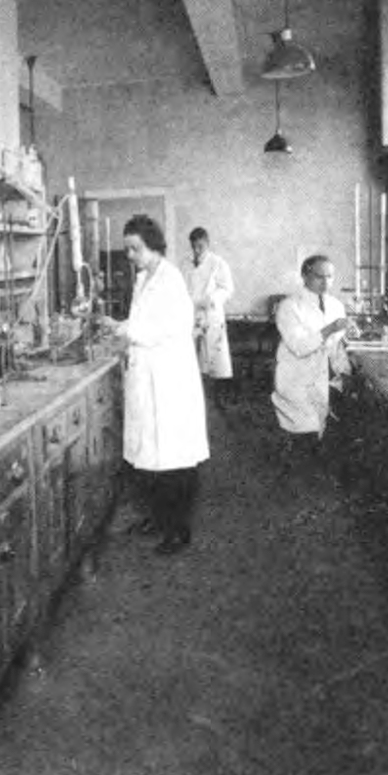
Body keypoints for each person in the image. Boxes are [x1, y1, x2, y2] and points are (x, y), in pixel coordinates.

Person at [101, 215, 210, 554]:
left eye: (134, 249)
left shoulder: (171, 279)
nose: (129, 256)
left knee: (174, 459)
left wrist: (126, 331)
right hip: (147, 377)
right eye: (127, 249)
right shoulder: (146, 278)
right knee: (148, 453)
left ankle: (178, 529)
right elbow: (145, 320)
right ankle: (158, 516)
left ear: (152, 245)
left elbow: (172, 328)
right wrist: (122, 324)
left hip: (169, 380)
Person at [272, 254, 350, 469]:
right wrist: (331, 329)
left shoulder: (335, 305)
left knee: (321, 431)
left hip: (323, 376)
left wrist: (345, 348)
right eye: (319, 277)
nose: (326, 283)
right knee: (301, 433)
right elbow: (299, 346)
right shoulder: (289, 306)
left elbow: (336, 345)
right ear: (304, 276)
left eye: (330, 277)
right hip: (297, 378)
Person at [186, 226, 236, 410]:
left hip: (211, 314)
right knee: (195, 358)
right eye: (194, 247)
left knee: (216, 359)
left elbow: (227, 288)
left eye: (200, 246)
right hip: (193, 315)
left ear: (207, 244)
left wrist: (211, 300)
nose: (197, 250)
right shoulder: (188, 263)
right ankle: (197, 399)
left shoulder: (217, 263)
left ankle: (218, 399)